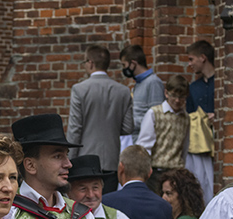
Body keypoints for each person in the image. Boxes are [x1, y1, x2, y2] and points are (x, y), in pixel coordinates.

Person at [66, 44, 133, 194]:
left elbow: (75, 129)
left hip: (85, 160)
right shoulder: (123, 91)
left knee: (85, 205)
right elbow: (128, 127)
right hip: (111, 159)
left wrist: (69, 160)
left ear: (90, 62)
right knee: (107, 205)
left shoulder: (80, 90)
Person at [135, 75, 190, 195]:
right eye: (174, 96)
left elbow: (184, 148)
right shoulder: (154, 113)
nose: (177, 100)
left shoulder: (185, 117)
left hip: (176, 172)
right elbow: (144, 146)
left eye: (181, 97)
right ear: (166, 93)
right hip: (156, 172)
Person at [184, 40, 216, 205]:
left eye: (191, 59)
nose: (189, 64)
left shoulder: (221, 82)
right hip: (200, 145)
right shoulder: (193, 87)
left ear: (203, 58)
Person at [119, 45, 165, 143]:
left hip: (146, 142)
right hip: (136, 140)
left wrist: (129, 123)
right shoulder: (138, 84)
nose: (123, 69)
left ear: (133, 63)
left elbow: (157, 117)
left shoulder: (153, 82)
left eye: (124, 65)